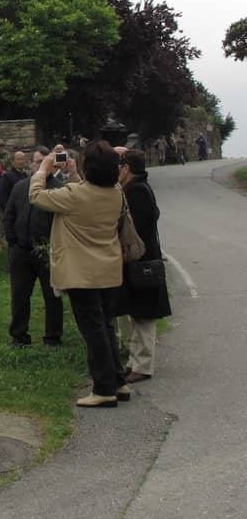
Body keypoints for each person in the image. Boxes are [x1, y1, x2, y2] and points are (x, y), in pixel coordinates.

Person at [29, 140, 130, 408]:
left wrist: (44, 169)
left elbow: (37, 196)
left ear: (89, 166)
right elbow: (88, 191)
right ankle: (119, 381)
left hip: (81, 273)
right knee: (106, 326)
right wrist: (74, 173)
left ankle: (104, 388)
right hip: (108, 269)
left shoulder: (74, 196)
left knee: (93, 330)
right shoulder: (117, 192)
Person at [113, 150, 171, 384]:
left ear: (126, 169)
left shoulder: (136, 192)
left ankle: (143, 365)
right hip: (141, 263)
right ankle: (135, 362)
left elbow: (133, 228)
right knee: (137, 313)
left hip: (142, 264)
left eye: (119, 167)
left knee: (144, 315)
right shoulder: (139, 188)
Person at [3, 146, 64, 348]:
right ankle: (19, 336)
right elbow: (9, 214)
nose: (38, 165)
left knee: (52, 296)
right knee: (19, 295)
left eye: (42, 162)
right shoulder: (21, 186)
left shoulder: (58, 187)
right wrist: (12, 241)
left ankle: (52, 337)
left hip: (47, 251)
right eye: (36, 162)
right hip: (21, 250)